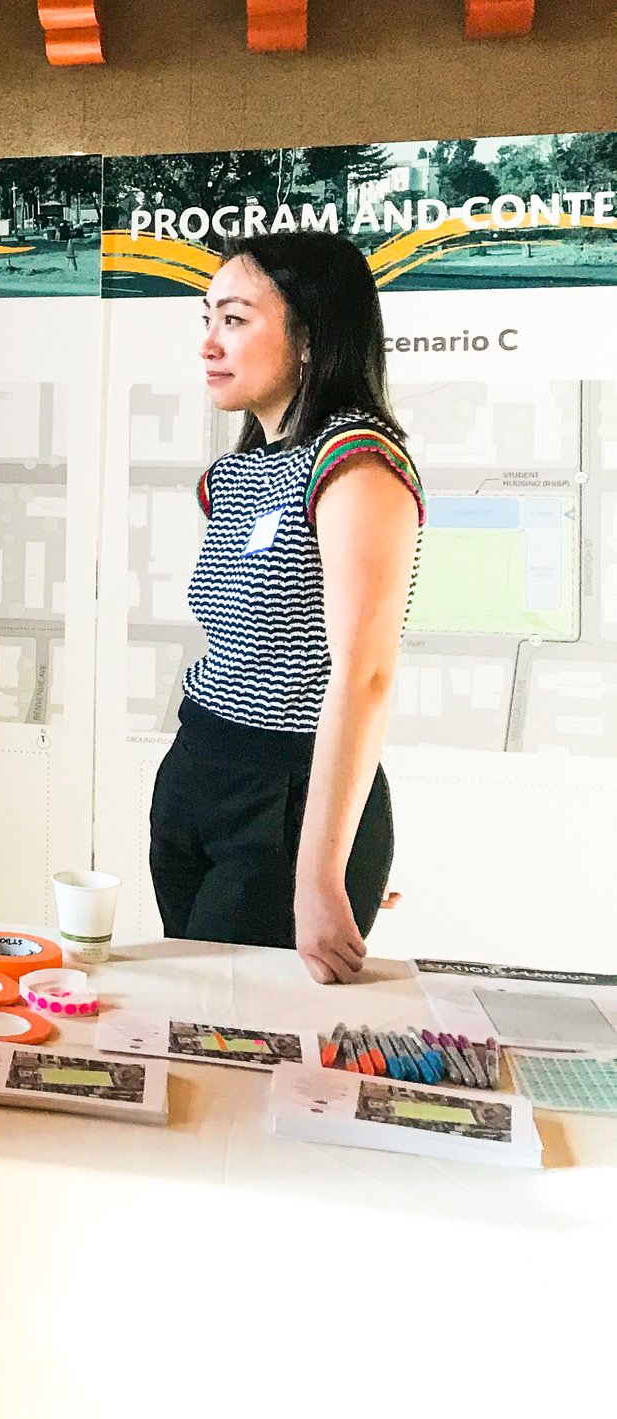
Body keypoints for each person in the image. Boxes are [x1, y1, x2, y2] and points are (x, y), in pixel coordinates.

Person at [152, 229, 424, 983]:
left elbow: (365, 674)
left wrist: (325, 869)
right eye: (207, 318)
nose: (209, 343)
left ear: (309, 338)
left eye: (235, 320)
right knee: (191, 1018)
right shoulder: (236, 473)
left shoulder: (356, 461)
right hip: (199, 775)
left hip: (286, 800)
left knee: (239, 1028)